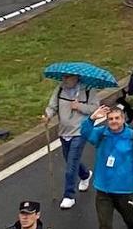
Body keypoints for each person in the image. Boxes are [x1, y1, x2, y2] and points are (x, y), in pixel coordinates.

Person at [81, 105, 133, 229]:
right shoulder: (102, 134)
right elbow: (85, 133)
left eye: (117, 118)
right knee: (104, 225)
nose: (114, 121)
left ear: (123, 119)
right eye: (111, 119)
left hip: (124, 190)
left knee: (131, 221)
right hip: (103, 190)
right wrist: (91, 119)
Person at [42, 72, 98, 209]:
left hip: (80, 132)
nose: (65, 80)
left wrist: (79, 106)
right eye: (64, 77)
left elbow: (95, 108)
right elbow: (52, 106)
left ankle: (69, 195)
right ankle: (85, 174)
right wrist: (47, 115)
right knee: (70, 160)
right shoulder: (60, 89)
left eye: (68, 77)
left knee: (70, 165)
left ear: (77, 77)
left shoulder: (89, 90)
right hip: (63, 131)